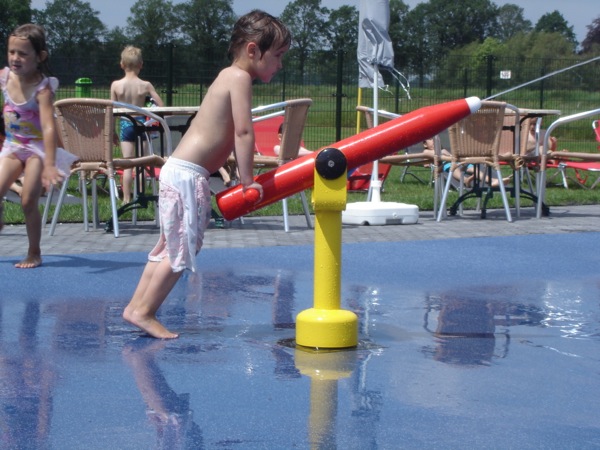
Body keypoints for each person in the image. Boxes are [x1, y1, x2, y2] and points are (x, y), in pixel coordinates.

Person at [123, 10, 289, 339]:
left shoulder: (227, 76)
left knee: (170, 246)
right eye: (279, 56)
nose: (280, 65)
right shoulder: (239, 78)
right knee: (181, 248)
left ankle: (135, 307)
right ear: (253, 50)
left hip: (180, 171)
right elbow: (243, 132)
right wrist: (246, 180)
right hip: (187, 175)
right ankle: (144, 311)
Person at [0, 24, 65, 268]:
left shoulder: (43, 89)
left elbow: (49, 127)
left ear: (40, 57)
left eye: (23, 53)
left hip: (38, 149)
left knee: (28, 201)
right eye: (11, 52)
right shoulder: (5, 78)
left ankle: (34, 252)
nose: (15, 58)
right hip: (13, 145)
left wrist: (50, 164)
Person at [110, 46, 165, 204]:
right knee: (141, 164)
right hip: (142, 124)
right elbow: (161, 106)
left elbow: (112, 110)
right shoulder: (145, 85)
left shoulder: (116, 85)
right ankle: (140, 198)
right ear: (141, 64)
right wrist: (150, 105)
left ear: (122, 64)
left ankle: (126, 199)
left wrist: (112, 131)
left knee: (127, 163)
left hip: (125, 125)